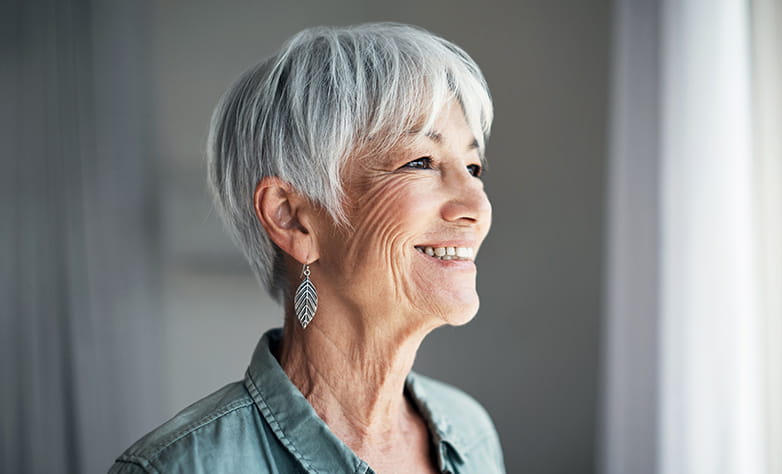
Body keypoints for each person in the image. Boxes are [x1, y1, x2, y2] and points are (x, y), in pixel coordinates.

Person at [110, 22, 504, 474]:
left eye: (474, 168)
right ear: (292, 217)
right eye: (420, 162)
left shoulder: (470, 433)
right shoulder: (181, 468)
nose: (477, 205)